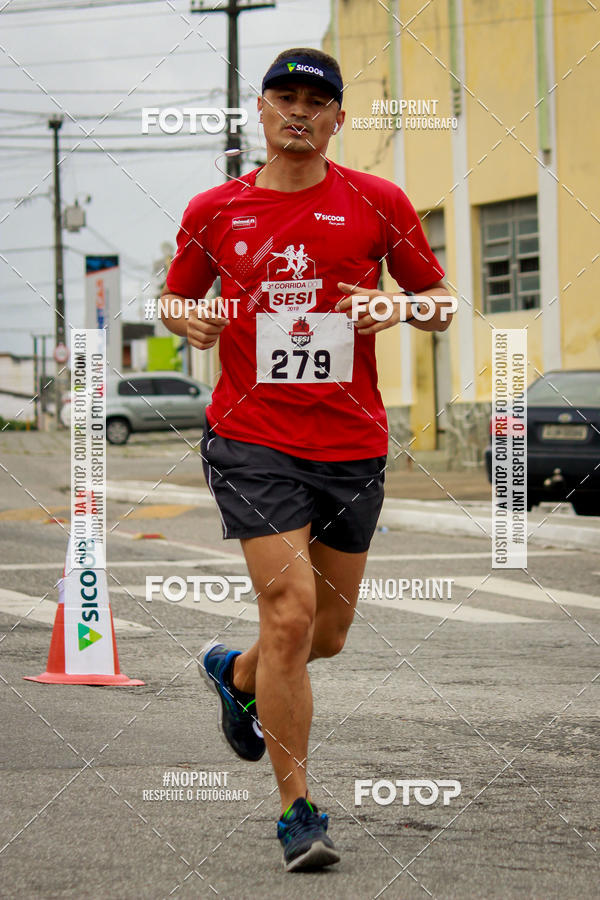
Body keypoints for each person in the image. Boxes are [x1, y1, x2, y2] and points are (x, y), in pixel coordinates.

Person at [160, 46, 453, 872]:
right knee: (288, 613)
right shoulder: (216, 209)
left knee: (326, 635)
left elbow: (442, 304)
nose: (299, 111)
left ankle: (237, 672)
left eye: (315, 101)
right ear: (260, 111)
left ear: (336, 118)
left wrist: (395, 307)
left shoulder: (378, 201)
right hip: (253, 439)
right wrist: (188, 321)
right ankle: (299, 811)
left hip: (352, 442)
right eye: (283, 97)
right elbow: (174, 294)